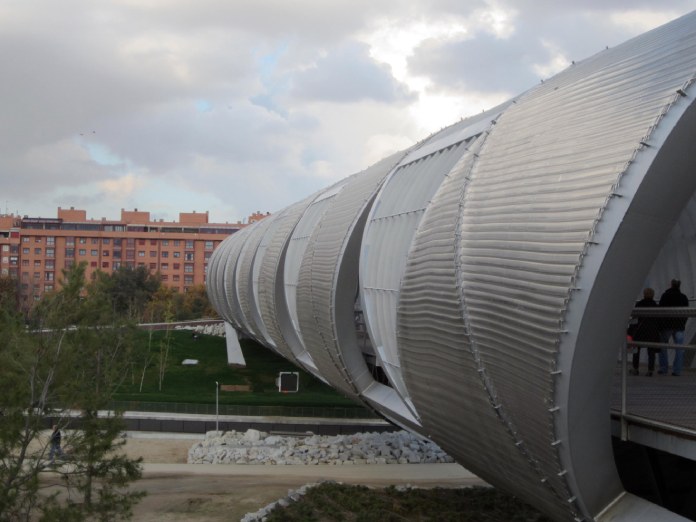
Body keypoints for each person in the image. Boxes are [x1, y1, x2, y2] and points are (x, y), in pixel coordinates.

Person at [658, 279, 689, 376]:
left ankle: (663, 368)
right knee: (679, 348)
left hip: (667, 325)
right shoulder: (684, 297)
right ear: (679, 286)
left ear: (671, 285)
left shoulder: (665, 295)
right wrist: (683, 322)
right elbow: (686, 312)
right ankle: (677, 370)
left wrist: (661, 324)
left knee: (663, 346)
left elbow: (660, 310)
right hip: (679, 325)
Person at [631, 288, 660, 376]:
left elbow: (634, 318)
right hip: (651, 331)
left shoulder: (639, 304)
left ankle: (635, 369)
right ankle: (650, 370)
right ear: (653, 295)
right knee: (651, 351)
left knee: (636, 350)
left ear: (644, 294)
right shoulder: (655, 305)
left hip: (640, 331)